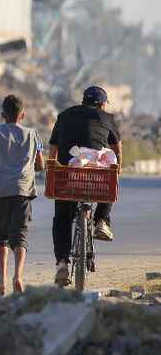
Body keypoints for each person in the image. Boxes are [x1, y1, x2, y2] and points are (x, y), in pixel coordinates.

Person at [48, 85, 123, 286]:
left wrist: (54, 169)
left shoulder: (63, 116)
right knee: (110, 182)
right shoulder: (107, 118)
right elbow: (117, 148)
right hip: (95, 176)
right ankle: (101, 221)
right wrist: (118, 170)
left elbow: (53, 147)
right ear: (101, 104)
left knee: (62, 217)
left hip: (66, 175)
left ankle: (62, 263)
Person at [0, 94, 45, 295]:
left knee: (2, 234)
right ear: (22, 115)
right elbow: (40, 164)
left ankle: (1, 281)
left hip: (0, 189)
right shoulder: (33, 134)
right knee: (20, 234)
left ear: (2, 114)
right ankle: (19, 277)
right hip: (23, 189)